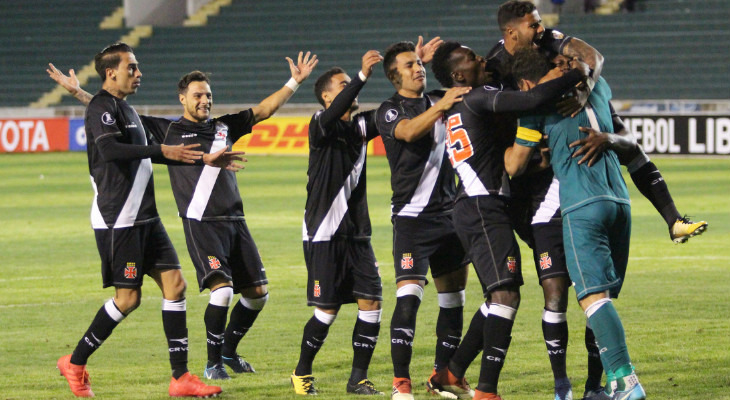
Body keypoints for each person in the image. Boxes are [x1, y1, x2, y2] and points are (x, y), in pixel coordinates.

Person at [50, 51, 320, 381]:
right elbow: (111, 117)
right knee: (209, 292)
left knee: (257, 295)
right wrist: (79, 93)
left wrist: (295, 81)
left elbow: (264, 110)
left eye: (208, 94)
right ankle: (208, 365)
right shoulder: (167, 130)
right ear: (183, 99)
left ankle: (221, 356)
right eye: (197, 95)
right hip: (196, 223)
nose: (204, 100)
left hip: (235, 221)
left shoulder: (225, 127)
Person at [54, 42, 222, 398]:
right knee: (128, 299)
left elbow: (149, 153)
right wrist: (163, 150)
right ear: (111, 72)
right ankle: (76, 361)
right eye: (132, 68)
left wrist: (200, 159)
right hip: (121, 219)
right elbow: (111, 150)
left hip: (146, 217)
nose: (139, 73)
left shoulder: (124, 108)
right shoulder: (102, 106)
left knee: (175, 286)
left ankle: (180, 378)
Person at [427, 41, 589, 400]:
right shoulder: (476, 96)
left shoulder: (457, 104)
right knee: (505, 294)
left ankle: (451, 372)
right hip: (481, 207)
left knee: (499, 295)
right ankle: (487, 391)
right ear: (458, 75)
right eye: (472, 58)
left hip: (479, 208)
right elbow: (530, 101)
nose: (481, 59)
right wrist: (577, 73)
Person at [505, 47, 647, 400]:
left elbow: (513, 165)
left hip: (582, 205)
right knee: (606, 296)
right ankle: (606, 382)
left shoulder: (535, 106)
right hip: (620, 201)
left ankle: (625, 380)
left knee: (592, 298)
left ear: (526, 83)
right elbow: (629, 140)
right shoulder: (597, 87)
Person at [375, 39, 474, 400]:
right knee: (409, 299)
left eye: (418, 63)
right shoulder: (388, 110)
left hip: (450, 217)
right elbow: (407, 132)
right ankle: (401, 382)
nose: (417, 68)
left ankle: (443, 375)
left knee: (454, 299)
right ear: (393, 76)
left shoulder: (437, 96)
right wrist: (443, 104)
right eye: (409, 65)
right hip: (412, 220)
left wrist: (439, 81)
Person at [290, 50, 385, 396]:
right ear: (328, 96)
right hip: (324, 233)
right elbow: (334, 111)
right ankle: (302, 372)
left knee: (371, 303)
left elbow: (393, 110)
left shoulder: (360, 127)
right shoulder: (319, 124)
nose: (351, 90)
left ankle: (357, 378)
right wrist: (360, 76)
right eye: (343, 86)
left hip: (358, 235)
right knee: (327, 310)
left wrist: (415, 69)